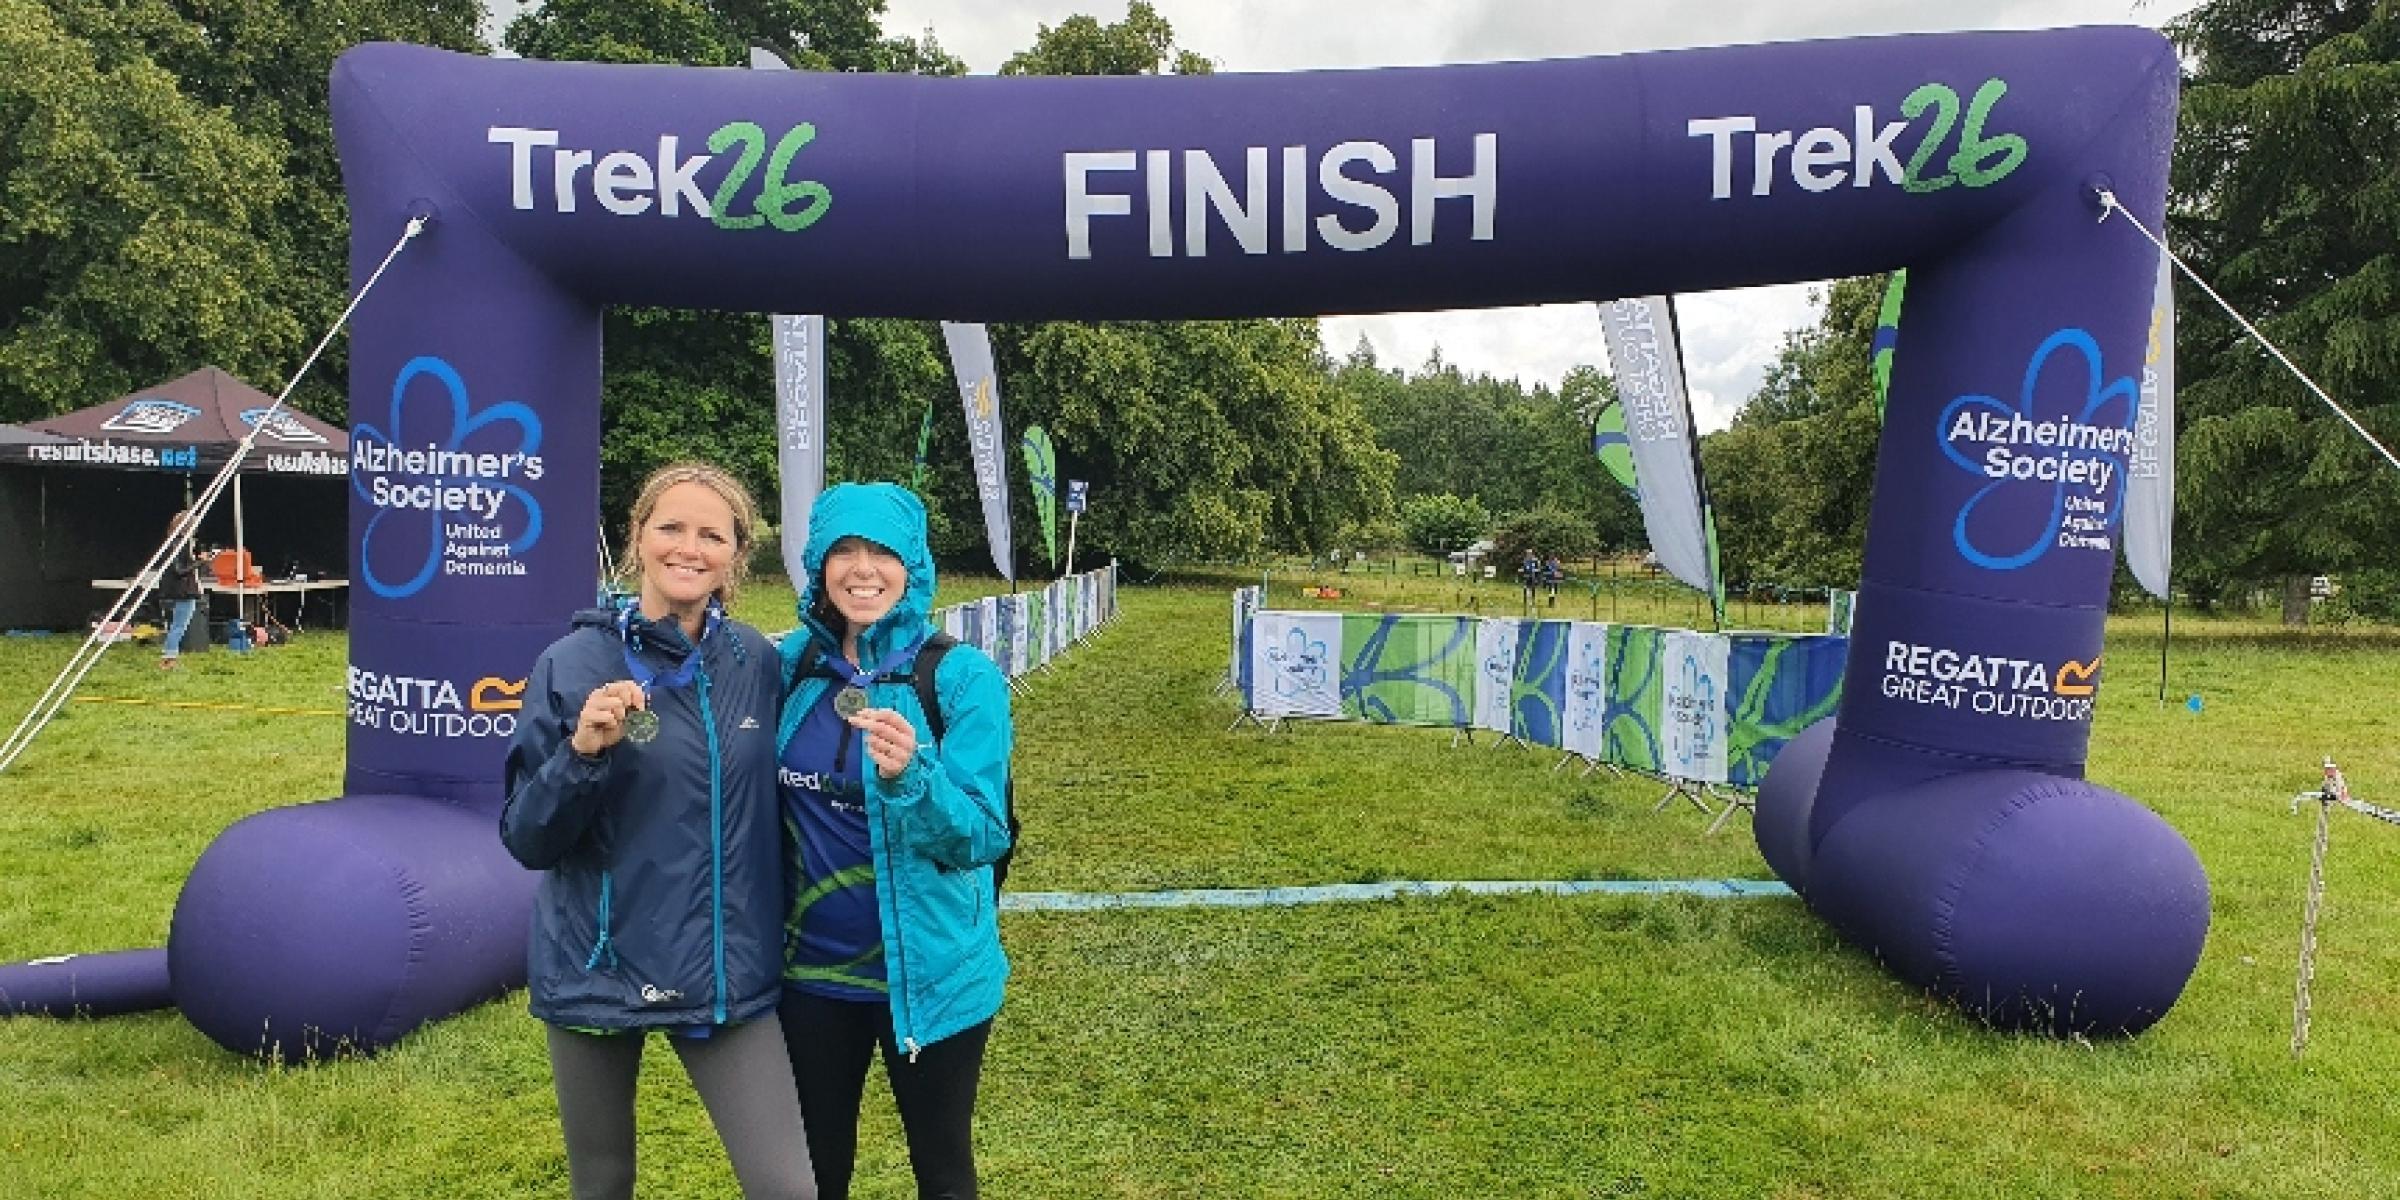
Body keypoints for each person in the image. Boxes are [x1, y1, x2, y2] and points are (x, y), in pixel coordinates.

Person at [501, 463, 815, 1200]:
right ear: (637, 537)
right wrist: (580, 755)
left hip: (722, 973)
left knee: (787, 1189)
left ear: (736, 556)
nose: (689, 547)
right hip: (596, 963)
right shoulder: (571, 664)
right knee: (602, 1184)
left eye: (712, 534)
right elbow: (526, 838)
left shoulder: (757, 663)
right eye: (671, 526)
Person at [776, 482, 1013, 1200]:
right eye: (843, 550)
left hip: (935, 976)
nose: (862, 568)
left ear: (914, 565)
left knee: (942, 1171)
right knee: (814, 1174)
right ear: (818, 564)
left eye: (882, 551)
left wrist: (914, 775)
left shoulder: (961, 678)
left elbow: (981, 834)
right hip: (808, 977)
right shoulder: (792, 666)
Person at [155, 511, 205, 669]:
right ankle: (169, 658)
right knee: (179, 625)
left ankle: (169, 656)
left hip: (176, 589)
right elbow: (179, 570)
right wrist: (200, 562)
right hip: (182, 590)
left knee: (177, 625)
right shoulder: (180, 544)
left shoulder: (173, 542)